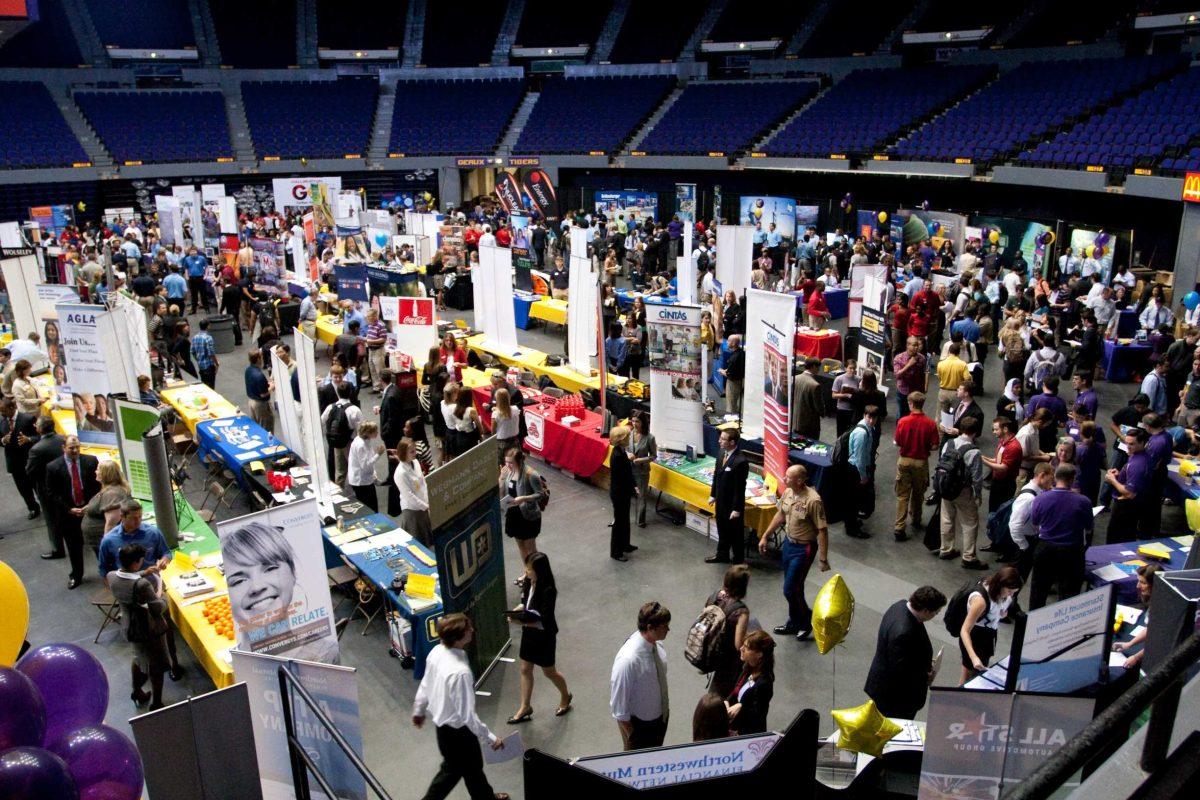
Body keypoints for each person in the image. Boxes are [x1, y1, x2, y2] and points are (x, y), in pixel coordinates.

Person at [412, 614, 509, 800]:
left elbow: (426, 684)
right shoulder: (460, 673)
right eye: (468, 629)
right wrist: (490, 738)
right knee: (451, 774)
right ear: (458, 637)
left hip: (443, 731)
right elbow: (467, 716)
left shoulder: (437, 652)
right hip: (459, 735)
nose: (472, 630)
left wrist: (419, 710)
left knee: (472, 769)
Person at [760, 464, 829, 640]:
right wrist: (765, 536)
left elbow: (822, 530)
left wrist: (822, 558)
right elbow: (780, 515)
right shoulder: (789, 493)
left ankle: (806, 620)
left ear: (799, 480)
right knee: (795, 588)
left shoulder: (813, 501)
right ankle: (793, 623)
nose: (784, 478)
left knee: (790, 589)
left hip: (804, 549)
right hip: (789, 546)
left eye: (788, 477)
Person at [506, 552, 573, 725]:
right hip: (530, 632)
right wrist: (516, 612)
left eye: (529, 569)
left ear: (539, 571)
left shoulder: (549, 590)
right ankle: (525, 707)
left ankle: (565, 695)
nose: (526, 572)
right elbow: (525, 604)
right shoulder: (529, 582)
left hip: (544, 635)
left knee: (549, 671)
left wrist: (519, 622)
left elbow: (543, 619)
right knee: (525, 669)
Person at [864, 586, 948, 719]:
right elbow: (902, 674)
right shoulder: (904, 632)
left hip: (883, 686)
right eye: (935, 613)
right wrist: (926, 675)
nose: (935, 616)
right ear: (926, 610)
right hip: (895, 699)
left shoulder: (899, 606)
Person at [107, 543, 171, 710]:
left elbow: (127, 579)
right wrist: (164, 596)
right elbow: (157, 607)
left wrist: (144, 572)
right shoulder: (142, 585)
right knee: (156, 666)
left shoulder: (111, 576)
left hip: (130, 626)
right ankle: (157, 703)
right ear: (135, 563)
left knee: (138, 658)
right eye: (141, 562)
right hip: (149, 629)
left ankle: (137, 691)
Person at [1028, 464, 1094, 609]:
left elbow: (1035, 522)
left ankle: (1032, 625)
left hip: (1045, 549)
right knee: (1069, 593)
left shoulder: (1040, 499)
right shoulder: (1083, 502)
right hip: (1072, 551)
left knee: (1038, 591)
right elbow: (1089, 527)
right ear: (1072, 479)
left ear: (1055, 477)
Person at [611, 602, 672, 751]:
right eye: (664, 626)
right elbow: (619, 707)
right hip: (641, 728)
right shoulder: (629, 661)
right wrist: (633, 736)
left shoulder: (657, 645)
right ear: (650, 628)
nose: (668, 629)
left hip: (659, 718)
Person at [46, 435, 100, 589]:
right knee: (74, 546)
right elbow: (51, 493)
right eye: (71, 448)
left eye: (77, 447)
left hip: (90, 511)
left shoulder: (91, 461)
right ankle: (77, 575)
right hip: (68, 514)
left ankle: (106, 572)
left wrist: (90, 505)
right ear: (64, 448)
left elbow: (98, 486)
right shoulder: (53, 467)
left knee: (98, 544)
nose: (75, 450)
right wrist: (69, 509)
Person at [938, 416, 988, 569]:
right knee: (970, 522)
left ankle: (946, 548)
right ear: (975, 432)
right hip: (963, 491)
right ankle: (969, 556)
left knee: (946, 517)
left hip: (946, 487)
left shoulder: (949, 443)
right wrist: (978, 495)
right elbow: (977, 478)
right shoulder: (974, 452)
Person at [958, 566, 1023, 684]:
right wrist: (973, 657)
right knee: (968, 676)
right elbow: (965, 630)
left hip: (988, 635)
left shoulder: (1003, 596)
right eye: (1009, 591)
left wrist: (1002, 614)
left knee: (977, 675)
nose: (1011, 596)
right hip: (975, 637)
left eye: (1014, 593)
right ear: (1000, 585)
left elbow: (997, 611)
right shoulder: (980, 601)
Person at [893, 391, 940, 539]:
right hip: (921, 462)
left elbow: (898, 442)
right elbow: (934, 446)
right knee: (919, 493)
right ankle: (916, 519)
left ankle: (899, 526)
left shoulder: (903, 421)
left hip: (904, 460)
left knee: (902, 494)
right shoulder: (931, 423)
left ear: (911, 404)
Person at [706, 564, 751, 697]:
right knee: (721, 691)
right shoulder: (741, 611)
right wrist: (748, 636)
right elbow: (738, 644)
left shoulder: (714, 596)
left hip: (712, 648)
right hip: (728, 658)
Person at [98, 499, 171, 580]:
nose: (138, 521)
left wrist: (164, 560)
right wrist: (113, 589)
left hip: (152, 583)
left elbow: (166, 552)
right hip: (126, 587)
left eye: (140, 516)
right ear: (122, 517)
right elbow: (103, 569)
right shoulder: (108, 540)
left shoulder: (153, 533)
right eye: (133, 518)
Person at [707, 428, 749, 565]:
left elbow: (739, 488)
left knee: (735, 534)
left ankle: (738, 560)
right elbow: (716, 476)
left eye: (723, 439)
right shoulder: (721, 453)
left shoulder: (740, 461)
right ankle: (722, 554)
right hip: (721, 501)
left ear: (732, 442)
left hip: (732, 505)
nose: (719, 441)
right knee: (722, 530)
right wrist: (713, 494)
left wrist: (736, 509)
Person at [25, 415, 65, 558]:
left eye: (37, 425)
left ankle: (57, 549)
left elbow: (30, 471)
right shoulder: (63, 439)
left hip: (47, 489)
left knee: (51, 520)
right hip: (66, 484)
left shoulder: (36, 449)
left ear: (40, 429)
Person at [1105, 427, 1153, 544]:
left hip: (1126, 508)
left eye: (1132, 444)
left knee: (1117, 540)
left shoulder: (1138, 464)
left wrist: (1113, 480)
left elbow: (1130, 493)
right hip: (1130, 507)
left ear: (1142, 443)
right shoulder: (1137, 456)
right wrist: (1120, 474)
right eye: (1127, 443)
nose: (1128, 446)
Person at [499, 447, 548, 561]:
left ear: (519, 461)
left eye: (511, 462)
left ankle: (536, 572)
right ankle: (528, 572)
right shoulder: (508, 472)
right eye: (506, 462)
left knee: (530, 548)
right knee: (521, 546)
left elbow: (540, 494)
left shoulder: (531, 474)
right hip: (513, 514)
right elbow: (502, 491)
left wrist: (524, 498)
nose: (507, 465)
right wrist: (501, 478)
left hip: (528, 516)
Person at [1112, 564, 1161, 672]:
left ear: (1155, 585)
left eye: (1143, 583)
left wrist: (1136, 657)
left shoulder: (1163, 608)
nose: (1138, 586)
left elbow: (1158, 641)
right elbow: (1150, 628)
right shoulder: (1154, 601)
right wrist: (1129, 644)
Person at [725, 630, 776, 736]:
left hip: (748, 734)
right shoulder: (747, 668)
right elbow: (736, 691)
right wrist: (727, 701)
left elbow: (757, 715)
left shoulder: (764, 683)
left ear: (759, 654)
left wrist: (741, 707)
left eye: (747, 648)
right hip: (736, 727)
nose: (741, 649)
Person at [83, 460, 133, 558]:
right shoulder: (109, 490)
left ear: (105, 474)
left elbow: (111, 523)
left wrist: (106, 546)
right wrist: (88, 509)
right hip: (98, 540)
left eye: (98, 469)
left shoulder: (112, 494)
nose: (95, 471)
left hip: (103, 542)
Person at [0, 397, 40, 518]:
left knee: (37, 485)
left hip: (29, 459)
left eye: (3, 410)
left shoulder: (28, 419)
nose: (2, 414)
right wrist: (3, 440)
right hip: (14, 462)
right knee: (23, 488)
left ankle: (46, 505)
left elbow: (39, 436)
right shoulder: (2, 422)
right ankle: (32, 507)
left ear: (11, 408)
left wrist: (28, 439)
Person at [845, 405, 879, 539]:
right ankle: (851, 528)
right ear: (865, 415)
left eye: (873, 418)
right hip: (856, 469)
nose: (871, 420)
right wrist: (863, 475)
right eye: (869, 417)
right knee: (854, 500)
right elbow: (859, 457)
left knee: (855, 498)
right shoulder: (862, 433)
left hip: (858, 467)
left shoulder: (869, 428)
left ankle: (852, 521)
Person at [321, 383, 361, 487]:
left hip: (337, 442)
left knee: (339, 471)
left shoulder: (330, 407)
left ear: (338, 393)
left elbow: (322, 421)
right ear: (350, 393)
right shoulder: (355, 410)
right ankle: (358, 491)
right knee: (355, 468)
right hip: (350, 443)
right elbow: (361, 430)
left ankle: (340, 492)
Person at [608, 425, 639, 561]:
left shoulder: (621, 452)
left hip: (623, 492)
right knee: (619, 522)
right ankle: (616, 552)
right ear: (622, 439)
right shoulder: (618, 456)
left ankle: (625, 544)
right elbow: (623, 476)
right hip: (619, 493)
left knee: (625, 520)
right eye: (627, 436)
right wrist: (633, 487)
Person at [394, 437, 432, 544]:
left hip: (423, 505)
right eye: (412, 452)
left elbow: (422, 482)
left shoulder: (415, 462)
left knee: (427, 542)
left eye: (414, 450)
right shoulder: (400, 473)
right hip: (413, 511)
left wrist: (427, 500)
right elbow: (409, 496)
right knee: (417, 543)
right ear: (403, 453)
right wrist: (425, 506)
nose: (415, 453)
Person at [982, 417, 1023, 512]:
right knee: (993, 508)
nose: (994, 432)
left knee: (1000, 511)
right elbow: (997, 460)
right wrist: (983, 457)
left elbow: (1003, 467)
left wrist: (984, 461)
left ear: (1005, 429)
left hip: (1006, 484)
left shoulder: (1013, 447)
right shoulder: (1003, 441)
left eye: (996, 429)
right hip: (997, 481)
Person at [347, 421, 384, 512]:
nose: (377, 433)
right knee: (369, 508)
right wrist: (378, 454)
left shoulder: (365, 440)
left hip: (365, 478)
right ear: (368, 433)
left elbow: (368, 459)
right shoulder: (360, 445)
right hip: (361, 482)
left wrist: (373, 473)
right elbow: (365, 465)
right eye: (375, 431)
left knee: (372, 506)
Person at [629, 413, 657, 528]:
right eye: (633, 421)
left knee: (641, 496)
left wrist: (641, 460)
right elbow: (625, 448)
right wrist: (627, 454)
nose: (634, 424)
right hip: (629, 468)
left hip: (642, 471)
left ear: (643, 423)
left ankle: (641, 520)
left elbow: (653, 456)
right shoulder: (630, 434)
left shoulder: (650, 438)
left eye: (637, 422)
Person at [891, 336, 927, 421]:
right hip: (903, 391)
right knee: (902, 414)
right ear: (907, 345)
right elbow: (897, 375)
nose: (916, 347)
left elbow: (922, 375)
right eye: (914, 345)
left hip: (915, 391)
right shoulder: (899, 358)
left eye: (917, 345)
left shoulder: (922, 358)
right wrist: (908, 365)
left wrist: (923, 389)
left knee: (915, 415)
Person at [790, 357, 824, 440]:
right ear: (813, 367)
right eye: (818, 367)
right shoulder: (815, 385)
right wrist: (823, 412)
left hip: (795, 420)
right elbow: (819, 407)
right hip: (810, 425)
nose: (819, 370)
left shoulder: (794, 378)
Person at [244, 351, 274, 433]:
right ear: (258, 359)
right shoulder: (259, 375)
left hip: (251, 401)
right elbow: (263, 394)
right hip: (260, 405)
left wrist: (266, 384)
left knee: (256, 426)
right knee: (266, 428)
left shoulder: (248, 370)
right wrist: (272, 387)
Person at [936, 342, 970, 413]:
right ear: (959, 352)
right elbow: (967, 379)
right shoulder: (962, 364)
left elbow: (939, 377)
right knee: (956, 414)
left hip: (943, 391)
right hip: (957, 393)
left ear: (949, 351)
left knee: (942, 416)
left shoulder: (940, 364)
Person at [491, 387, 520, 466]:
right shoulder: (516, 409)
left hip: (502, 443)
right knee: (516, 463)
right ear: (509, 398)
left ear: (497, 400)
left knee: (502, 465)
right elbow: (506, 410)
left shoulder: (496, 414)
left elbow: (492, 431)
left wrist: (496, 410)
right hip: (515, 441)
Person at [832, 359, 860, 436]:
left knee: (851, 432)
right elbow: (834, 395)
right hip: (842, 409)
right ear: (845, 368)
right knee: (840, 432)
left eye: (854, 368)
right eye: (850, 368)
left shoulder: (858, 379)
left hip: (853, 410)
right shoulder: (839, 379)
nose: (852, 370)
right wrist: (846, 395)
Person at [720, 334, 745, 416]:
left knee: (732, 403)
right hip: (740, 380)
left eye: (729, 341)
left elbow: (730, 374)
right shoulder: (741, 353)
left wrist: (722, 372)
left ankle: (733, 419)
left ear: (734, 343)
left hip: (733, 383)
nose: (727, 342)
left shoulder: (734, 357)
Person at [191, 318, 219, 389]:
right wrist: (216, 363)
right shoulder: (208, 338)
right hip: (209, 366)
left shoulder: (194, 337)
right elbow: (211, 353)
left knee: (204, 385)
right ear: (208, 326)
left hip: (201, 366)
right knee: (211, 386)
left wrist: (198, 359)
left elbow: (192, 351)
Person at [182, 246, 209, 314]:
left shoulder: (202, 258)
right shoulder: (187, 259)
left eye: (194, 251)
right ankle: (194, 310)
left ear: (197, 252)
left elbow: (206, 267)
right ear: (189, 252)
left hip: (200, 278)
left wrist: (205, 275)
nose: (193, 253)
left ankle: (207, 309)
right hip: (192, 279)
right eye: (191, 251)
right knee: (194, 295)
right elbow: (186, 268)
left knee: (203, 294)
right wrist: (187, 276)